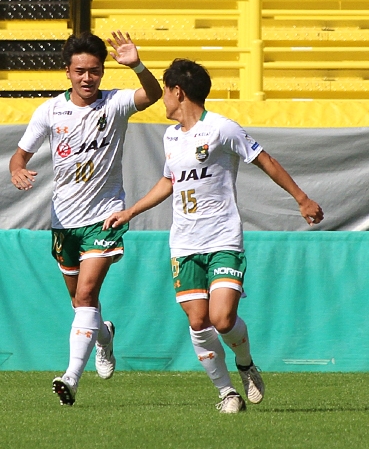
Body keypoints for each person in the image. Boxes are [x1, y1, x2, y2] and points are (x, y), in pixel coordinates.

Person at [103, 58, 324, 414]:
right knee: (198, 322)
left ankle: (246, 364)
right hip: (184, 244)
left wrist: (302, 198)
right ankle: (227, 393)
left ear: (178, 92)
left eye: (166, 91)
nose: (163, 99)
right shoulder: (171, 136)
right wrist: (131, 211)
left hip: (222, 239)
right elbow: (169, 181)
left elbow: (264, 159)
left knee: (222, 319)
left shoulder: (221, 128)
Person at [9, 31, 163, 406]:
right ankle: (104, 335)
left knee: (86, 294)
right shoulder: (49, 111)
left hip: (105, 217)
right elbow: (20, 156)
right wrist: (17, 170)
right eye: (80, 71)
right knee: (81, 304)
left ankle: (71, 378)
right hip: (64, 222)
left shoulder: (115, 104)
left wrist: (138, 66)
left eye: (94, 71)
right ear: (67, 72)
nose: (88, 78)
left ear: (103, 72)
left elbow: (154, 94)